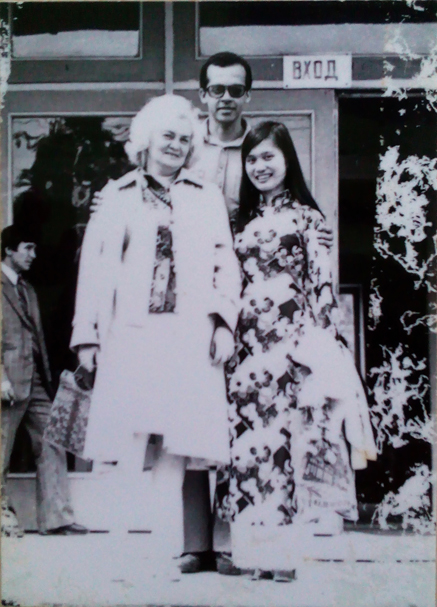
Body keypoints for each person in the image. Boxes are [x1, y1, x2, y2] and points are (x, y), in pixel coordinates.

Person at [69, 94, 241, 569]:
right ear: (146, 139)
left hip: (188, 338)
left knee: (177, 445)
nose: (176, 145)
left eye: (185, 139)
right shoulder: (117, 194)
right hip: (130, 335)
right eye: (168, 135)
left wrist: (223, 324)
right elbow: (94, 269)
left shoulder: (206, 195)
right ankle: (118, 551)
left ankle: (161, 552)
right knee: (125, 443)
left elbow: (224, 263)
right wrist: (87, 335)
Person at [217, 121, 377, 579]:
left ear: (288, 160)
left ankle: (283, 559)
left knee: (286, 451)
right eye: (251, 159)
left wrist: (325, 344)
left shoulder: (309, 219)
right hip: (245, 352)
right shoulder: (238, 222)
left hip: (291, 347)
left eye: (269, 156)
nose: (260, 166)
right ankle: (250, 556)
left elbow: (321, 286)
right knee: (247, 450)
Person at [1, 224, 88, 537]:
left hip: (35, 381)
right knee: (1, 449)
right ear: (8, 250)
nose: (33, 255)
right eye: (28, 248)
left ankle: (56, 519)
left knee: (51, 440)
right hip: (8, 382)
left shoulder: (27, 289)